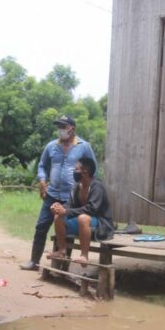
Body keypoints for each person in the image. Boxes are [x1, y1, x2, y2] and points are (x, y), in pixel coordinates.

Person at [19, 115, 97, 271]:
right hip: (52, 194)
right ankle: (34, 262)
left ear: (72, 129)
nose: (60, 130)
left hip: (72, 197)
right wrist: (42, 181)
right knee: (41, 226)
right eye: (58, 126)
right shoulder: (51, 146)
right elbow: (41, 165)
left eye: (63, 126)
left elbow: (93, 169)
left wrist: (85, 189)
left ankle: (63, 267)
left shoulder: (84, 146)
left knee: (66, 228)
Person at [50, 157, 114, 267]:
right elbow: (69, 204)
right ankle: (62, 250)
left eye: (76, 169)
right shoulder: (76, 187)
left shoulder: (97, 186)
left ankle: (84, 256)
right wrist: (59, 207)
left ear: (85, 172)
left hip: (100, 224)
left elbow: (92, 209)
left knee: (83, 218)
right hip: (83, 222)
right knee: (58, 217)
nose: (74, 172)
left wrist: (66, 211)